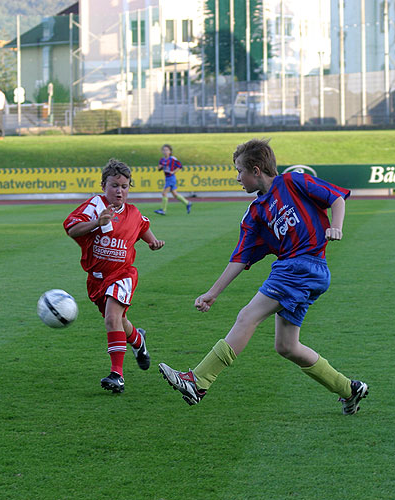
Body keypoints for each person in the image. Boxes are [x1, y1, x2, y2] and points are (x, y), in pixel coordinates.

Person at [158, 139, 368, 415]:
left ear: (256, 170)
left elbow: (336, 198)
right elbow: (240, 258)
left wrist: (336, 227)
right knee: (286, 346)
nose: (237, 178)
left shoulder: (293, 182)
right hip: (302, 272)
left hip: (300, 267)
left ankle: (198, 381)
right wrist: (213, 292)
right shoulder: (255, 213)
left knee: (248, 316)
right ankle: (349, 389)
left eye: (239, 171)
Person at [64, 158, 165, 393]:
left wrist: (153, 242)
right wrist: (96, 223)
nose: (119, 191)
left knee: (111, 319)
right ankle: (138, 341)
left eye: (124, 186)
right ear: (103, 186)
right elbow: (71, 228)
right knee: (119, 322)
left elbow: (142, 226)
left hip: (123, 274)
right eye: (114, 185)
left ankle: (116, 375)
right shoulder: (95, 206)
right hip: (97, 278)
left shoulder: (133, 212)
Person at [153, 144, 192, 215]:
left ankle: (163, 210)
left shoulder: (172, 159)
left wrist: (173, 171)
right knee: (174, 194)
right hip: (167, 178)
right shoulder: (162, 160)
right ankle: (187, 203)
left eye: (167, 150)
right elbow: (158, 168)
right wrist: (161, 167)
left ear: (170, 151)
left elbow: (180, 166)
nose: (165, 152)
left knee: (164, 193)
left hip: (171, 178)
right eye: (164, 150)